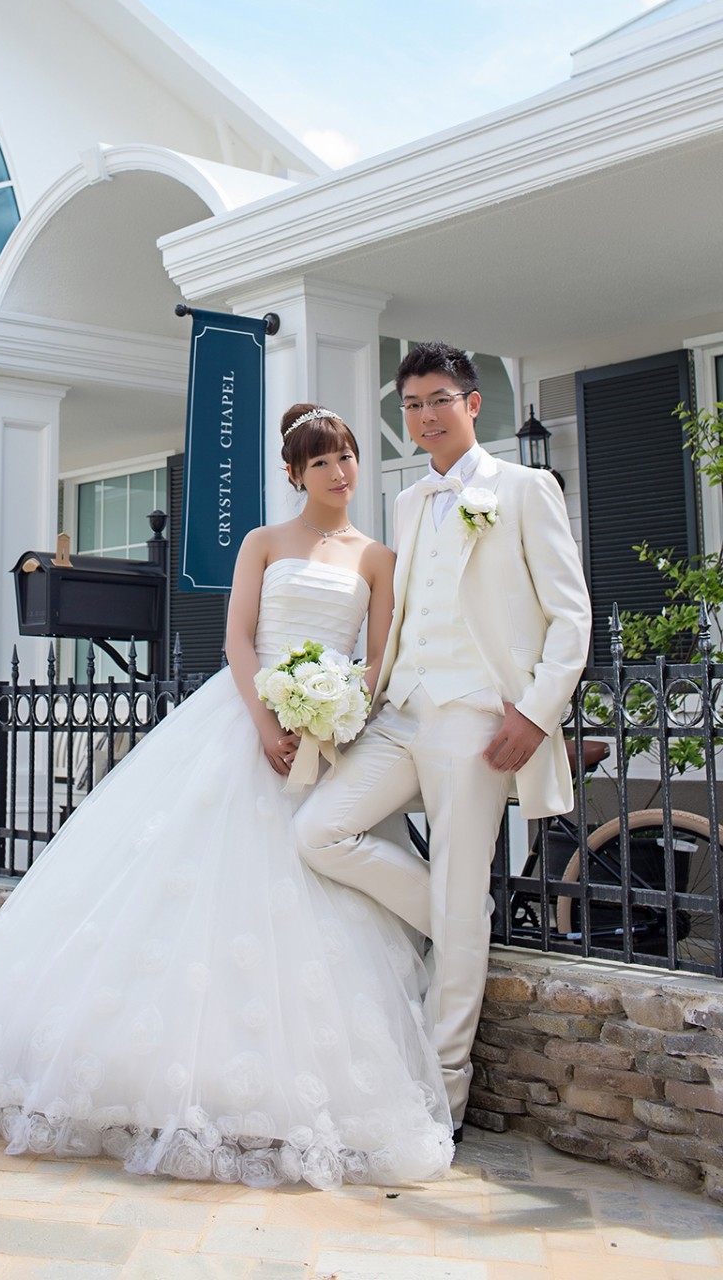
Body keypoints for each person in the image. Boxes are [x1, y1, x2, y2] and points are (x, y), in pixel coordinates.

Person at [0, 404, 454, 1190]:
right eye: (321, 461)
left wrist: (336, 714)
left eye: (348, 457)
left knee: (320, 877)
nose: (339, 471)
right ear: (295, 475)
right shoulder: (264, 543)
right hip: (244, 716)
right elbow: (236, 638)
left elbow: (379, 654)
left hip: (329, 736)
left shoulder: (377, 557)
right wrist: (266, 720)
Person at [295, 344, 592, 1135]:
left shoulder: (525, 489)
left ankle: (440, 1097)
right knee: (318, 830)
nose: (425, 416)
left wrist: (534, 712)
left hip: (476, 720)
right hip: (401, 710)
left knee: (465, 881)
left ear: (472, 403)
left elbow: (572, 616)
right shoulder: (406, 499)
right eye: (412, 405)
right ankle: (460, 924)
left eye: (438, 399)